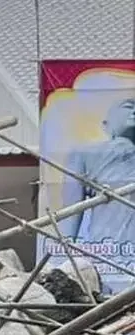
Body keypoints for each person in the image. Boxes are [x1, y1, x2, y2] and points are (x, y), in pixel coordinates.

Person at [60, 97, 135, 244]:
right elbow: (72, 209)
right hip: (109, 243)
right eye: (128, 107)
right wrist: (65, 248)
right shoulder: (84, 153)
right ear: (106, 125)